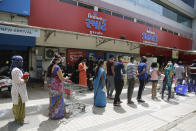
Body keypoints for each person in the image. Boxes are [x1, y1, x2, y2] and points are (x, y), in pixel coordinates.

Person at [47, 54, 69, 119]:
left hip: (52, 86)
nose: (60, 60)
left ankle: (52, 113)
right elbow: (62, 79)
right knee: (59, 99)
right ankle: (58, 115)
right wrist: (66, 78)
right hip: (58, 87)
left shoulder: (50, 67)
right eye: (60, 59)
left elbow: (49, 76)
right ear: (57, 60)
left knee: (53, 99)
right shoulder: (57, 67)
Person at [10, 56, 29, 125]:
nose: (22, 62)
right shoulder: (15, 70)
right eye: (21, 61)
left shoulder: (18, 69)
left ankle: (19, 118)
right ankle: (20, 119)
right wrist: (25, 79)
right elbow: (18, 81)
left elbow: (20, 79)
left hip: (19, 91)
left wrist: (25, 77)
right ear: (17, 62)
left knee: (19, 105)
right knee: (19, 106)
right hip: (18, 92)